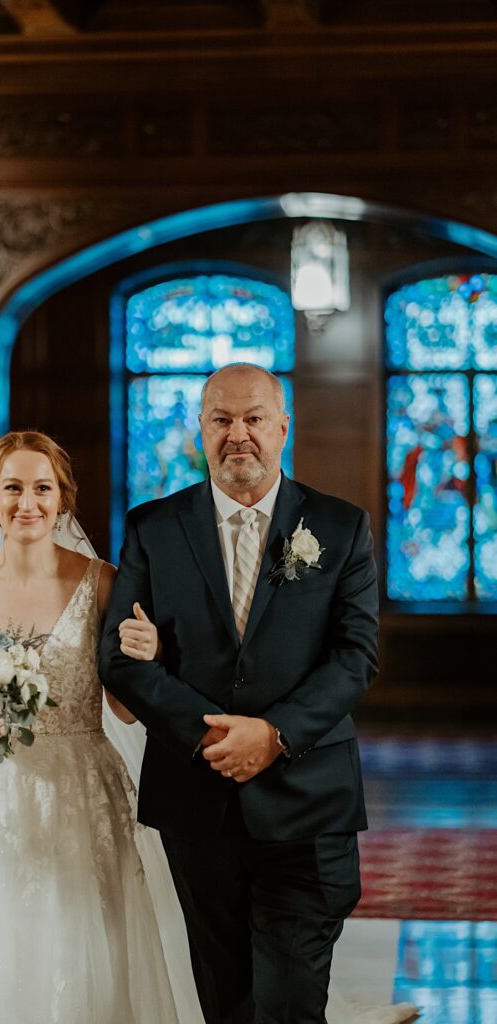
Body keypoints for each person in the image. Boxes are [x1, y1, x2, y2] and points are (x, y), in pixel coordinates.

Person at [99, 362, 414, 1024]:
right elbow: (120, 660)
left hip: (307, 801)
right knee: (226, 1000)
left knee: (289, 1001)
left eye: (251, 419)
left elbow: (354, 657)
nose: (236, 434)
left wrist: (270, 736)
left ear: (281, 427)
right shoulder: (153, 528)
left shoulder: (339, 526)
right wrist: (214, 734)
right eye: (220, 419)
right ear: (199, 429)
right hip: (195, 801)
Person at [0, 430, 187, 1024]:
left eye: (43, 488)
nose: (27, 503)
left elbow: (125, 710)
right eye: (12, 488)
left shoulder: (103, 583)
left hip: (84, 785)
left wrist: (148, 657)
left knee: (88, 930)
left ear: (64, 499)